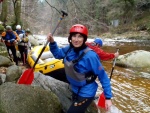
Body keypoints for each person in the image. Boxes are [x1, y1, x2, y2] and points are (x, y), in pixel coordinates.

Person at [47, 24, 112, 113]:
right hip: (74, 88)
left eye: (80, 37)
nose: (76, 40)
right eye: (74, 36)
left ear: (84, 39)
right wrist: (52, 42)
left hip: (86, 92)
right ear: (70, 37)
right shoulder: (69, 48)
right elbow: (58, 54)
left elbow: (103, 76)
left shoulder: (91, 56)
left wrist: (108, 97)